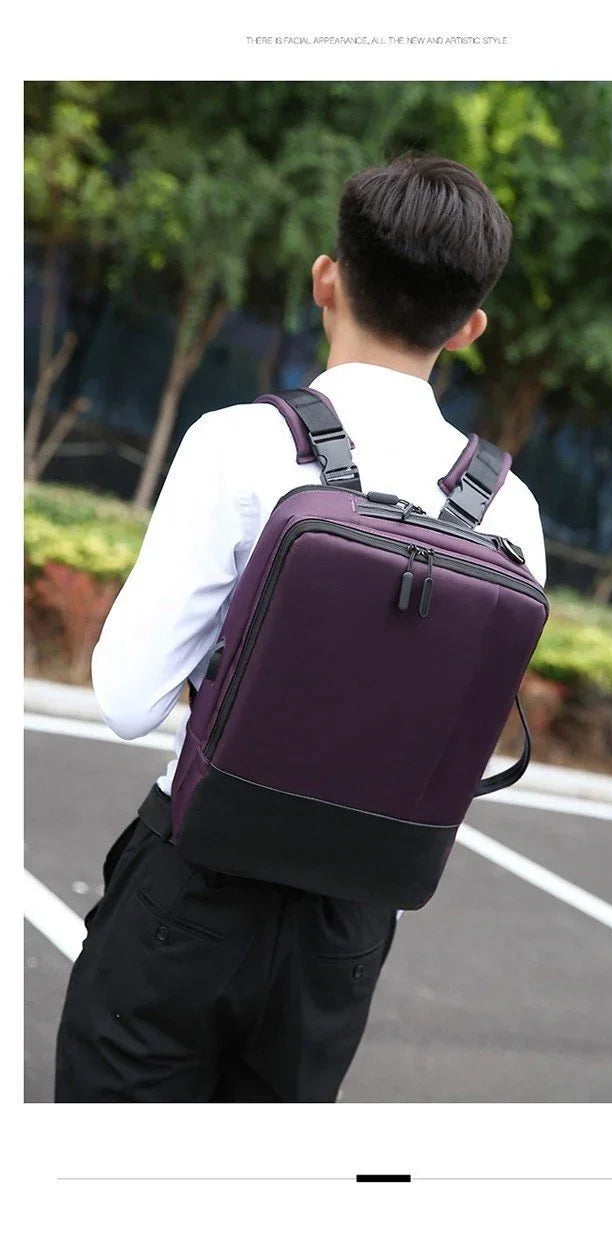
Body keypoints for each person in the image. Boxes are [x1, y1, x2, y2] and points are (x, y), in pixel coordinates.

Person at [54, 153, 547, 1103]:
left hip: (192, 890)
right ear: (471, 326)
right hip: (343, 935)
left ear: (328, 276)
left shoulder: (240, 442)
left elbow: (123, 700)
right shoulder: (511, 510)